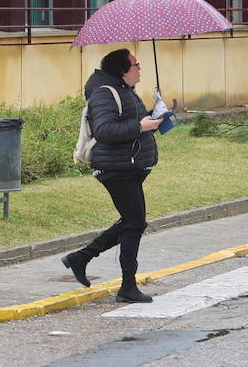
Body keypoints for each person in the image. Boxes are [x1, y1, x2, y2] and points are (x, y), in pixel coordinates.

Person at [62, 48, 161, 303]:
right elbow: (105, 130)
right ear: (123, 70)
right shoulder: (105, 93)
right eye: (136, 65)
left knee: (132, 221)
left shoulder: (123, 89)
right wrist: (141, 126)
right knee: (134, 223)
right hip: (116, 169)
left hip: (129, 167)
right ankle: (128, 286)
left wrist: (156, 115)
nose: (140, 69)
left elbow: (129, 120)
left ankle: (81, 258)